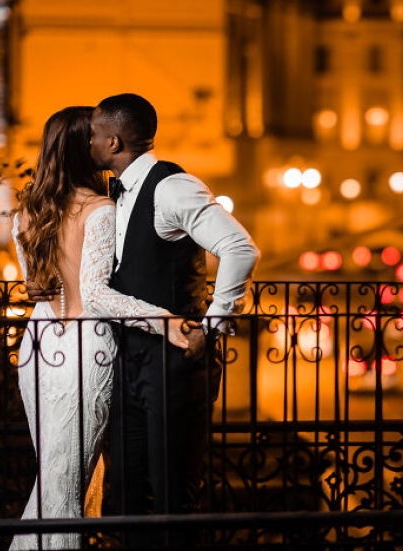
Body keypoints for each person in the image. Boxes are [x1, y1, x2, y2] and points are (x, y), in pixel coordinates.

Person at [10, 106, 190, 551]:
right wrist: (163, 320)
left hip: (39, 346)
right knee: (66, 484)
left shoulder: (26, 212)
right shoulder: (101, 210)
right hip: (85, 349)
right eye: (91, 136)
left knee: (54, 475)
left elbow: (35, 286)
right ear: (81, 148)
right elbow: (93, 295)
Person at [91, 92, 259, 546]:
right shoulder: (112, 193)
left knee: (173, 497)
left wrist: (213, 325)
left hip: (174, 362)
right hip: (126, 361)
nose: (87, 141)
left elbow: (240, 248)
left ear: (113, 141)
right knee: (124, 493)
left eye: (92, 133)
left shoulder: (172, 186)